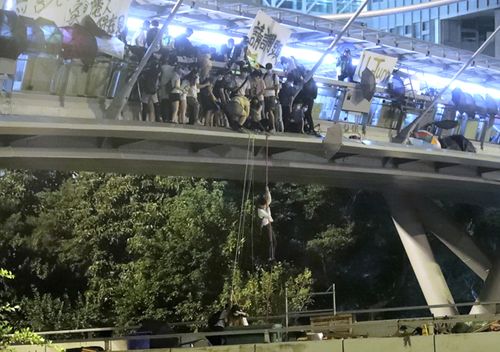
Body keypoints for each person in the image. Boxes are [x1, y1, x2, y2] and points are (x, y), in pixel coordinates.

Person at [257, 186, 275, 261]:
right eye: (264, 205)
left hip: (268, 225)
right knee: (270, 242)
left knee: (274, 241)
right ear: (261, 205)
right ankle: (270, 257)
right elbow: (268, 216)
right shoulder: (260, 211)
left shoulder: (264, 206)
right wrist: (267, 209)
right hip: (265, 227)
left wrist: (267, 191)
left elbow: (269, 200)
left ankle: (272, 256)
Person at [263, 63, 280, 132]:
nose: (268, 70)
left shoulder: (275, 76)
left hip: (271, 95)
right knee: (266, 112)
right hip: (264, 95)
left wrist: (266, 88)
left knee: (270, 111)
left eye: (269, 68)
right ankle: (268, 126)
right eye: (267, 68)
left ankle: (273, 127)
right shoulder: (264, 76)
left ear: (271, 68)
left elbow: (276, 86)